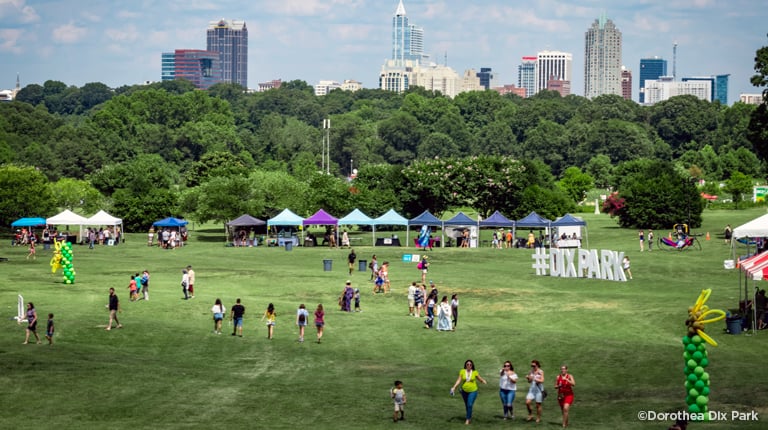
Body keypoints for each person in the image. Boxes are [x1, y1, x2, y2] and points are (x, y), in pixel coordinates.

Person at [450, 359, 488, 425]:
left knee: (469, 404)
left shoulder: (474, 372)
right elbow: (458, 380)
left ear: (472, 365)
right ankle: (469, 417)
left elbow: (480, 379)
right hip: (464, 391)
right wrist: (454, 387)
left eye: (470, 364)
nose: (469, 365)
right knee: (467, 405)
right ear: (465, 365)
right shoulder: (462, 371)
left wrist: (483, 381)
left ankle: (467, 420)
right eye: (467, 364)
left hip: (473, 391)